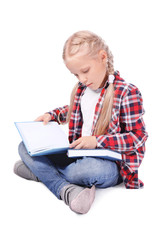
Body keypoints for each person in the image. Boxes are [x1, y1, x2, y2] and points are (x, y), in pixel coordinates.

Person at [14, 30, 148, 214]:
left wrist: (96, 141)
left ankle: (43, 173)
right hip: (78, 154)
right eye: (76, 75)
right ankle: (67, 189)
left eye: (85, 71)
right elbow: (76, 110)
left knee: (83, 172)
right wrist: (52, 115)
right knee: (24, 146)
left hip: (108, 165)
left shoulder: (127, 92)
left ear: (103, 57)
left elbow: (137, 137)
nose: (82, 79)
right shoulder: (83, 89)